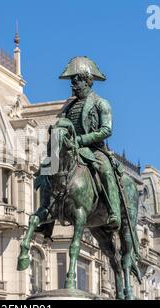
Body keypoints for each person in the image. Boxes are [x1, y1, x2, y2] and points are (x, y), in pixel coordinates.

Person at [59, 57, 121, 229]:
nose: (72, 85)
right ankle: (48, 214)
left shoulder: (101, 103)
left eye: (75, 81)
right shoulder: (69, 107)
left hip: (94, 149)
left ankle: (113, 211)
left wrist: (81, 139)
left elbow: (106, 130)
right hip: (72, 149)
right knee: (48, 168)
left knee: (105, 170)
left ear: (86, 81)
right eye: (72, 81)